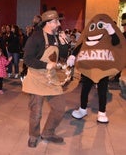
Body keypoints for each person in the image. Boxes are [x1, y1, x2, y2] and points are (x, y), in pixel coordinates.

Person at [67, 14, 126, 123]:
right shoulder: (87, 35)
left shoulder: (108, 35)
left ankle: (102, 112)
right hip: (88, 67)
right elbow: (81, 44)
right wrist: (73, 55)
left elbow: (116, 43)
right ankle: (82, 109)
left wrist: (111, 31)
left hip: (102, 68)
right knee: (85, 89)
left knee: (102, 91)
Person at [22, 10, 69, 147]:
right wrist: (45, 64)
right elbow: (27, 59)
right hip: (37, 77)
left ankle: (48, 132)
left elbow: (62, 57)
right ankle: (33, 135)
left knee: (60, 108)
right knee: (36, 112)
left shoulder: (56, 37)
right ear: (48, 23)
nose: (59, 24)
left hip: (52, 78)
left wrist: (64, 44)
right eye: (56, 21)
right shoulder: (36, 37)